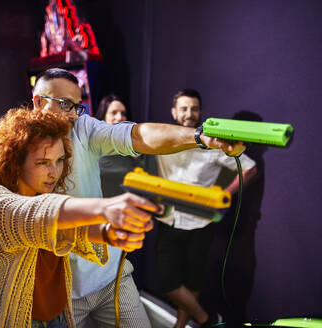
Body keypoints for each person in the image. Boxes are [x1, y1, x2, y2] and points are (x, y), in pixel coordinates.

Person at [31, 69, 245, 328]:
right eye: (64, 104)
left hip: (110, 276)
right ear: (39, 101)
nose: (72, 115)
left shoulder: (84, 128)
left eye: (77, 107)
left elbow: (136, 135)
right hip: (60, 290)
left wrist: (199, 137)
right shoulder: (17, 146)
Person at [0, 108, 157, 327]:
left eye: (59, 160)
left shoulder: (45, 196)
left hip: (60, 319)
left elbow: (71, 233)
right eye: (43, 162)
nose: (54, 172)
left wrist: (108, 234)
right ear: (15, 160)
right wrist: (106, 207)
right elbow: (33, 212)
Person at [154, 89, 258, 327]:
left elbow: (249, 168)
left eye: (194, 108)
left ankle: (180, 326)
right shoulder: (162, 137)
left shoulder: (215, 142)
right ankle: (206, 318)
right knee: (166, 282)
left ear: (200, 111)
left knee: (193, 282)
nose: (189, 113)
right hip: (168, 218)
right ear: (174, 112)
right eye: (183, 108)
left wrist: (223, 194)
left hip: (201, 222)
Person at [96, 94, 158, 198]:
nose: (120, 117)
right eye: (114, 113)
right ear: (103, 117)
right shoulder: (93, 147)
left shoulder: (137, 148)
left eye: (123, 113)